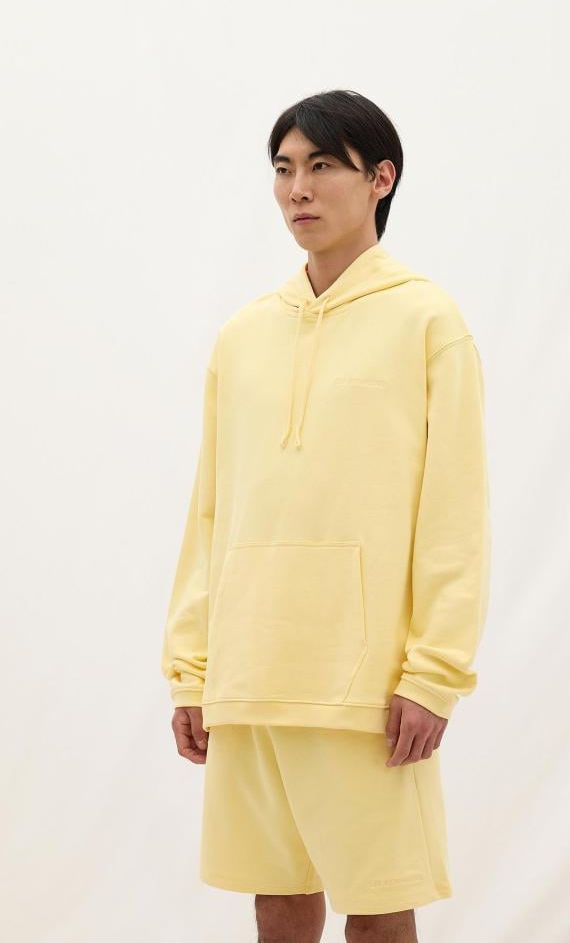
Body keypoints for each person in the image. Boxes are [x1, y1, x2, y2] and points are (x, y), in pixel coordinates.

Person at [161, 88, 492, 942]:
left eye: (321, 166)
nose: (297, 189)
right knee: (276, 906)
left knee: (378, 911)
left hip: (364, 686)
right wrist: (192, 670)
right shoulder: (242, 336)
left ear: (381, 178)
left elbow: (455, 515)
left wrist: (433, 674)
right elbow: (209, 512)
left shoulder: (428, 321)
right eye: (283, 169)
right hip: (249, 674)